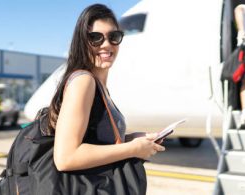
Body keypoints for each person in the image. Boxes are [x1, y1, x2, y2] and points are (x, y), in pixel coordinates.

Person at [44, 2, 164, 182]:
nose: (106, 45)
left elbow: (95, 140)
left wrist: (134, 138)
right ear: (82, 42)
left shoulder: (99, 86)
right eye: (95, 38)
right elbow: (65, 158)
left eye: (113, 36)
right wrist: (133, 149)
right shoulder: (84, 81)